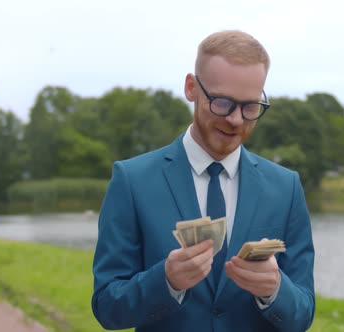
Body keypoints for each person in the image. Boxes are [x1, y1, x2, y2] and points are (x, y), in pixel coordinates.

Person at [91, 30, 315, 332]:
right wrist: (166, 281)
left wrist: (274, 290)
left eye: (250, 107)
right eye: (222, 103)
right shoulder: (132, 181)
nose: (236, 119)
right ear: (191, 88)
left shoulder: (286, 188)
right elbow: (107, 306)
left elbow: (303, 313)